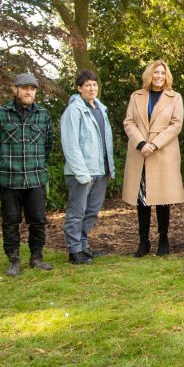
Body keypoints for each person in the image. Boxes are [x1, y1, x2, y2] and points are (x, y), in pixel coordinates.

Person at [0, 72, 54, 276]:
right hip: (9, 178)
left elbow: (48, 144)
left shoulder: (43, 114)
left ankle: (36, 258)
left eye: (32, 89)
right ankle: (13, 260)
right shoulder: (0, 114)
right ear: (15, 89)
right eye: (25, 88)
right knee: (10, 221)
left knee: (38, 220)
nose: (29, 92)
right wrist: (1, 163)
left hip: (35, 177)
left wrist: (40, 162)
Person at [123, 60, 184, 257]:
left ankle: (164, 239)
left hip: (163, 152)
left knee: (162, 199)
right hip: (140, 152)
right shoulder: (137, 96)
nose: (159, 76)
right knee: (142, 199)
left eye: (162, 73)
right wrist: (141, 143)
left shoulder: (175, 97)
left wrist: (154, 144)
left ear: (167, 76)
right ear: (149, 74)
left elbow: (176, 124)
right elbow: (129, 121)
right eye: (156, 72)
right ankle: (143, 241)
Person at [60, 69, 115, 265]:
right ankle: (74, 251)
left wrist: (109, 168)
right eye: (87, 85)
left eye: (94, 85)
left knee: (91, 211)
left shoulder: (100, 109)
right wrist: (82, 173)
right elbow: (71, 144)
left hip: (100, 169)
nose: (92, 88)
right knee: (77, 211)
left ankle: (84, 245)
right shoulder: (74, 111)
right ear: (79, 88)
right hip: (81, 172)